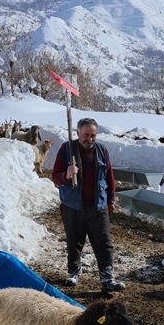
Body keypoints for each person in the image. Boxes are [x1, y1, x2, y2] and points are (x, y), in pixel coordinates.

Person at [51, 117, 125, 291]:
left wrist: (111, 199)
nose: (90, 139)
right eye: (86, 135)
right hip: (73, 206)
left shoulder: (101, 150)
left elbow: (109, 177)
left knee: (104, 243)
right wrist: (66, 175)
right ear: (78, 133)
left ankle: (107, 279)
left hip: (98, 206)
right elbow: (55, 177)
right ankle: (73, 272)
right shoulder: (67, 149)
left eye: (93, 135)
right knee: (74, 242)